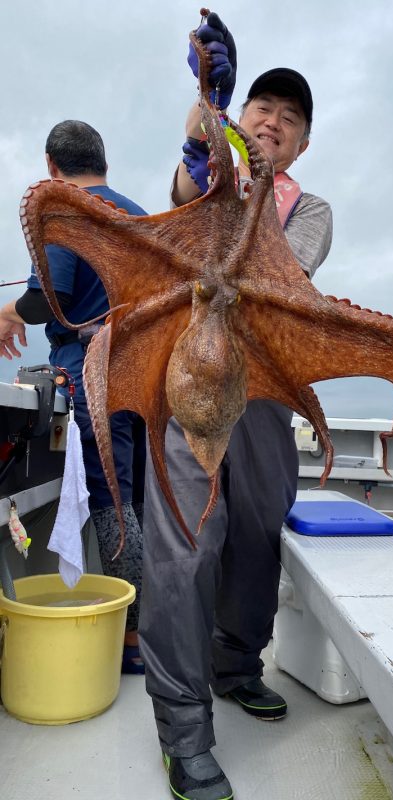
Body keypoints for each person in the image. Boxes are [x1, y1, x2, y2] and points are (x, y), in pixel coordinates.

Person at [138, 12, 333, 800]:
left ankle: (235, 666)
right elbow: (188, 187)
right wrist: (208, 120)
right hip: (188, 380)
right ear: (243, 113)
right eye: (262, 108)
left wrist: (244, 173)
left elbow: (283, 274)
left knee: (256, 532)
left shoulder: (310, 209)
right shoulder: (209, 166)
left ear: (303, 144)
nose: (273, 121)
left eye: (290, 118)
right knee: (186, 547)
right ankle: (184, 733)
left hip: (260, 397)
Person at [0, 120, 147, 674]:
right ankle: (144, 626)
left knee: (112, 507)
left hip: (90, 373)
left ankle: (131, 641)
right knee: (133, 498)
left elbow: (50, 300)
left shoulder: (61, 209)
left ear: (51, 166)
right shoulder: (137, 214)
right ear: (102, 161)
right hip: (138, 372)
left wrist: (8, 312)